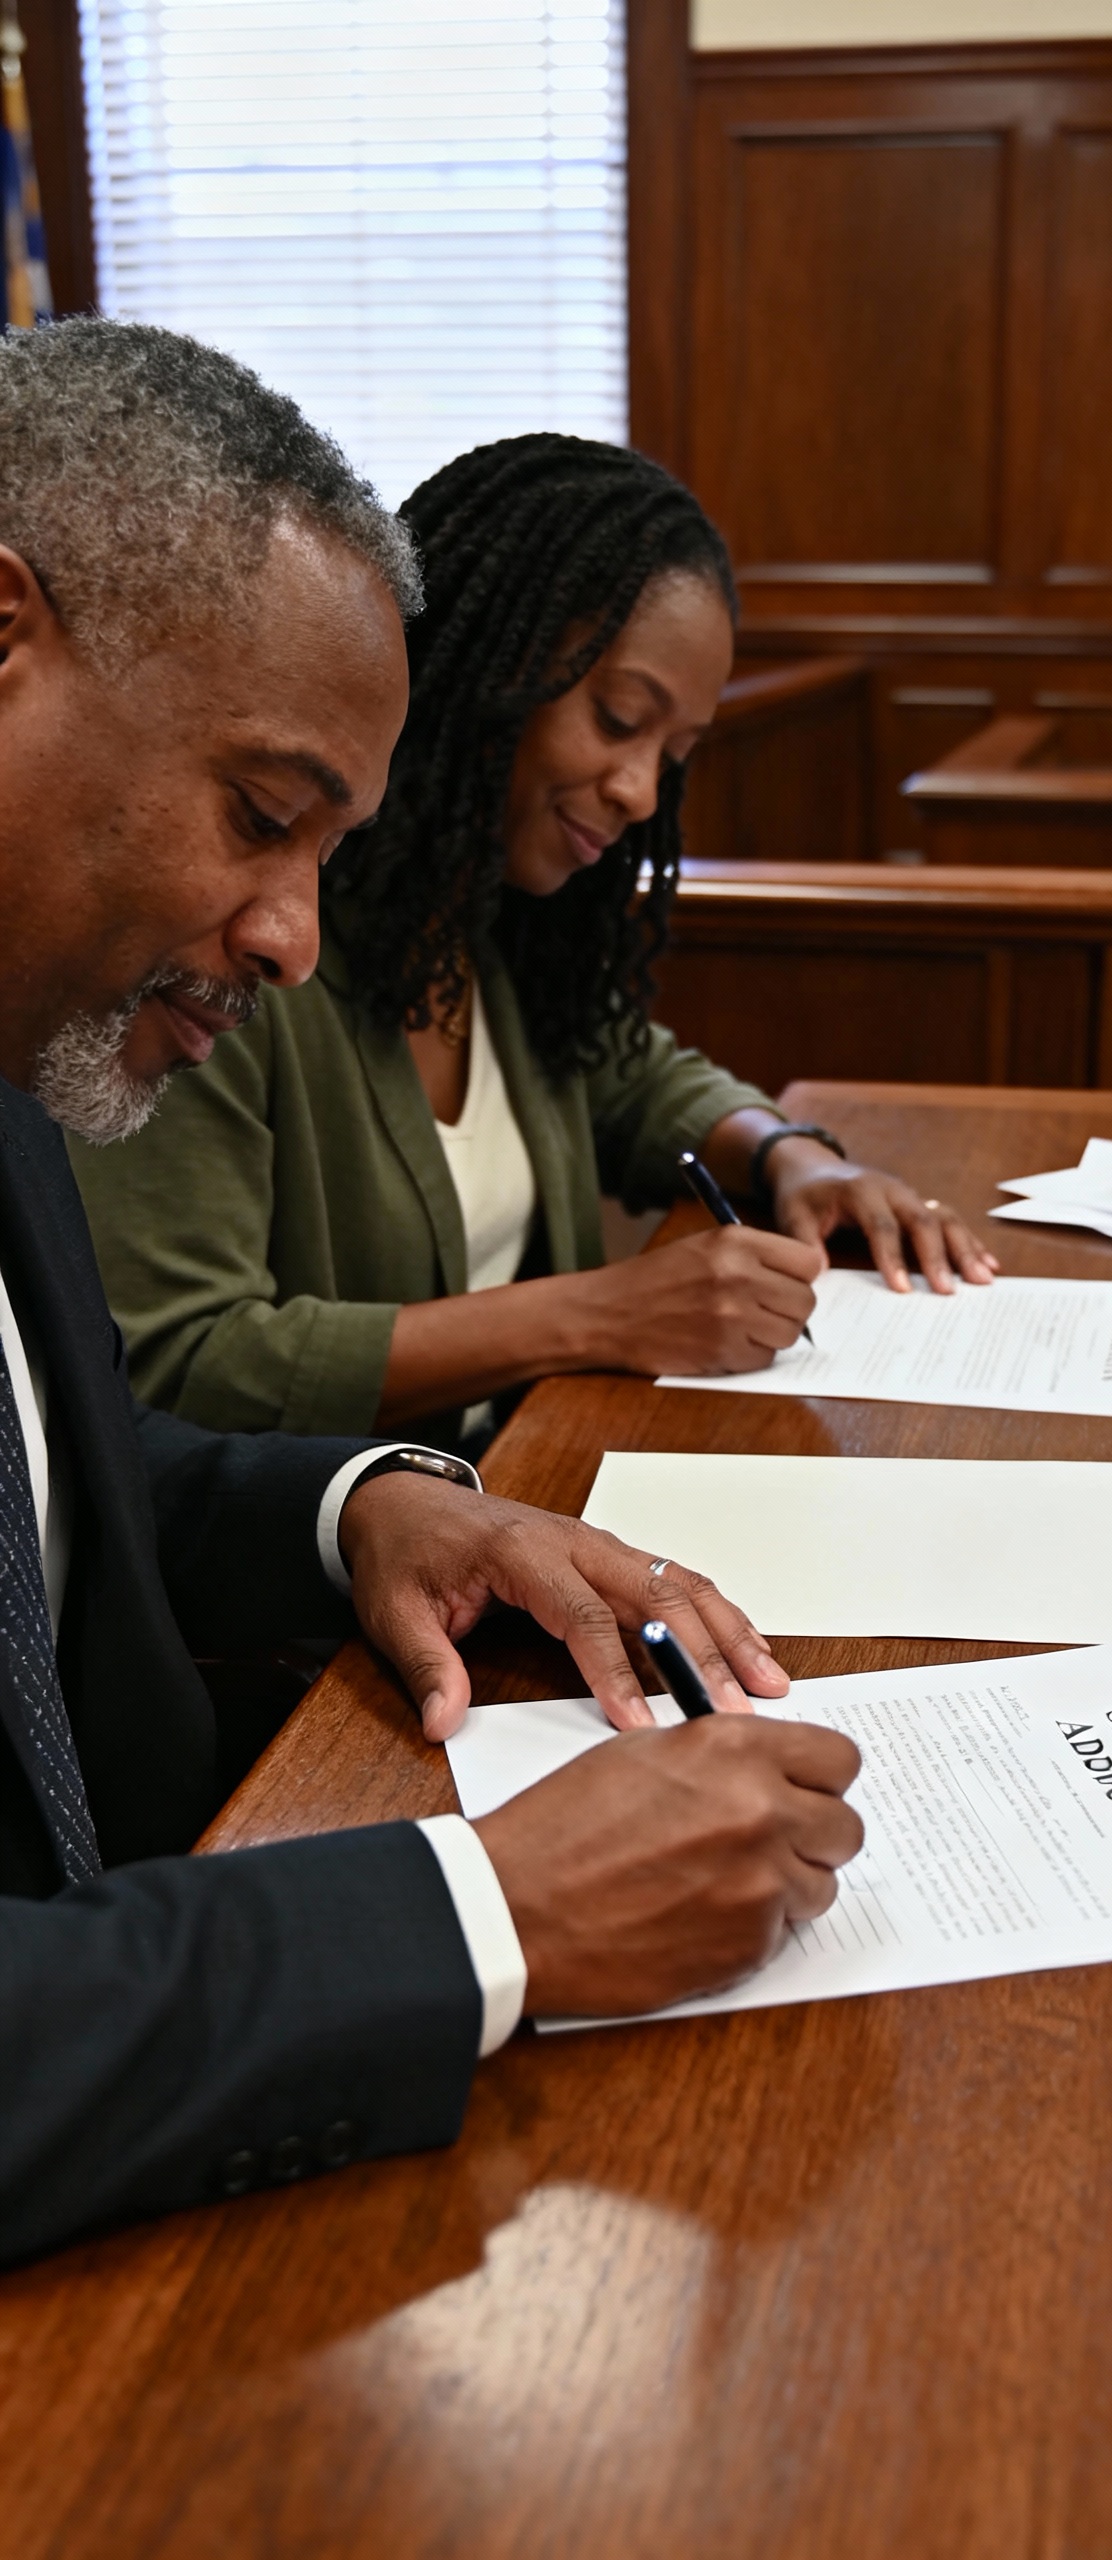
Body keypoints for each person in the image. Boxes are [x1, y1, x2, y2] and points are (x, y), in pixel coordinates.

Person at [0, 319, 863, 2268]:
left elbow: (59, 1477)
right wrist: (488, 1917)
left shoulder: (22, 1060)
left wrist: (369, 1500)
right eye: (257, 812)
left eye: (331, 841)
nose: (294, 932)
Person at [69, 434, 998, 1452]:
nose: (640, 791)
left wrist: (786, 1156)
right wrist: (597, 1314)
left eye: (673, 756)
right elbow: (178, 1361)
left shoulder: (487, 921)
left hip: (520, 1489)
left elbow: (623, 1070)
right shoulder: (239, 957)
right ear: (484, 672)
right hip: (323, 1579)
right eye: (617, 719)